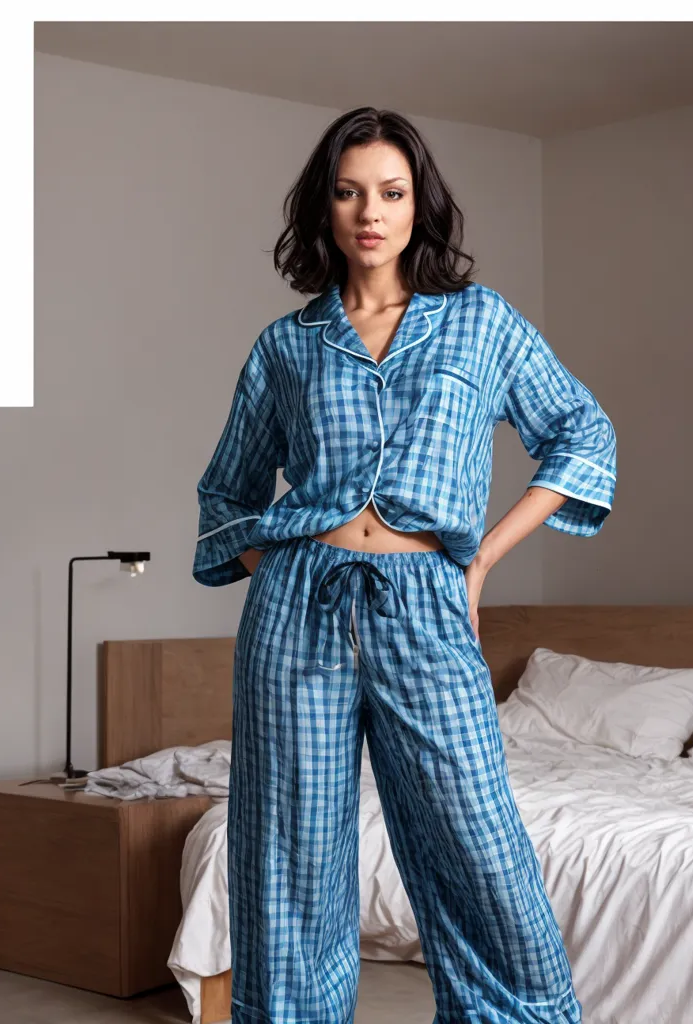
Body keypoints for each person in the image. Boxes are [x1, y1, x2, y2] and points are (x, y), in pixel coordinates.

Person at [193, 106, 616, 1024]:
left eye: (390, 192)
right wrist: (280, 561)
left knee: (476, 839)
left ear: (420, 205)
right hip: (298, 605)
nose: (369, 213)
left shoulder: (481, 324)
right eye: (348, 193)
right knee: (291, 851)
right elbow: (225, 491)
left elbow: (582, 434)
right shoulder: (288, 345)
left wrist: (482, 563)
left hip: (427, 598)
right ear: (325, 209)